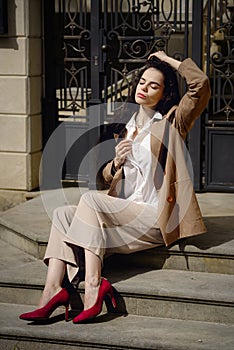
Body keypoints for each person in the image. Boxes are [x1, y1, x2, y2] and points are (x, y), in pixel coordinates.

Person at [19, 51, 211, 324]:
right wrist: (116, 162)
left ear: (165, 93)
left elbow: (200, 83)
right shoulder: (126, 127)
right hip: (126, 212)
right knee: (62, 213)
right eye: (142, 82)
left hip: (155, 216)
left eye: (153, 85)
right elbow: (106, 180)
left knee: (91, 201)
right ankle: (52, 290)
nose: (144, 88)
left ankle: (94, 285)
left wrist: (167, 61)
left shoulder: (172, 122)